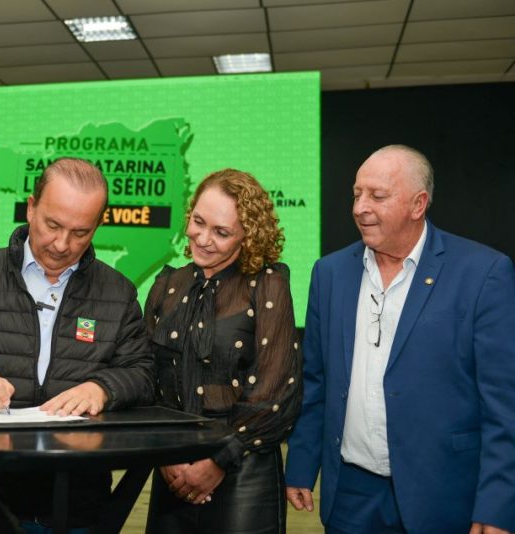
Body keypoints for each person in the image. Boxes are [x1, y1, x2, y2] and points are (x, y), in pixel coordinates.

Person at [0, 157, 155, 533]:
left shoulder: (117, 293)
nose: (62, 244)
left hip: (78, 503)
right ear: (32, 206)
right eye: (53, 224)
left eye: (81, 232)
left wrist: (103, 388)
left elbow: (143, 372)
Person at [285, 145, 515, 533]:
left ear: (418, 204)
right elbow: (317, 381)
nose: (360, 207)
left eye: (377, 196)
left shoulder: (483, 273)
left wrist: (496, 507)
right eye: (357, 194)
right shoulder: (330, 273)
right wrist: (302, 465)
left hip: (444, 495)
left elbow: (504, 406)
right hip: (350, 496)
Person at [144, 169, 303, 533]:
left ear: (248, 236)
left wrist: (217, 460)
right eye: (198, 222)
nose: (203, 238)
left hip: (244, 471)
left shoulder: (268, 285)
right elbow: (145, 377)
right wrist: (165, 455)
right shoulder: (167, 284)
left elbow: (277, 389)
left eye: (221, 232)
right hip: (173, 470)